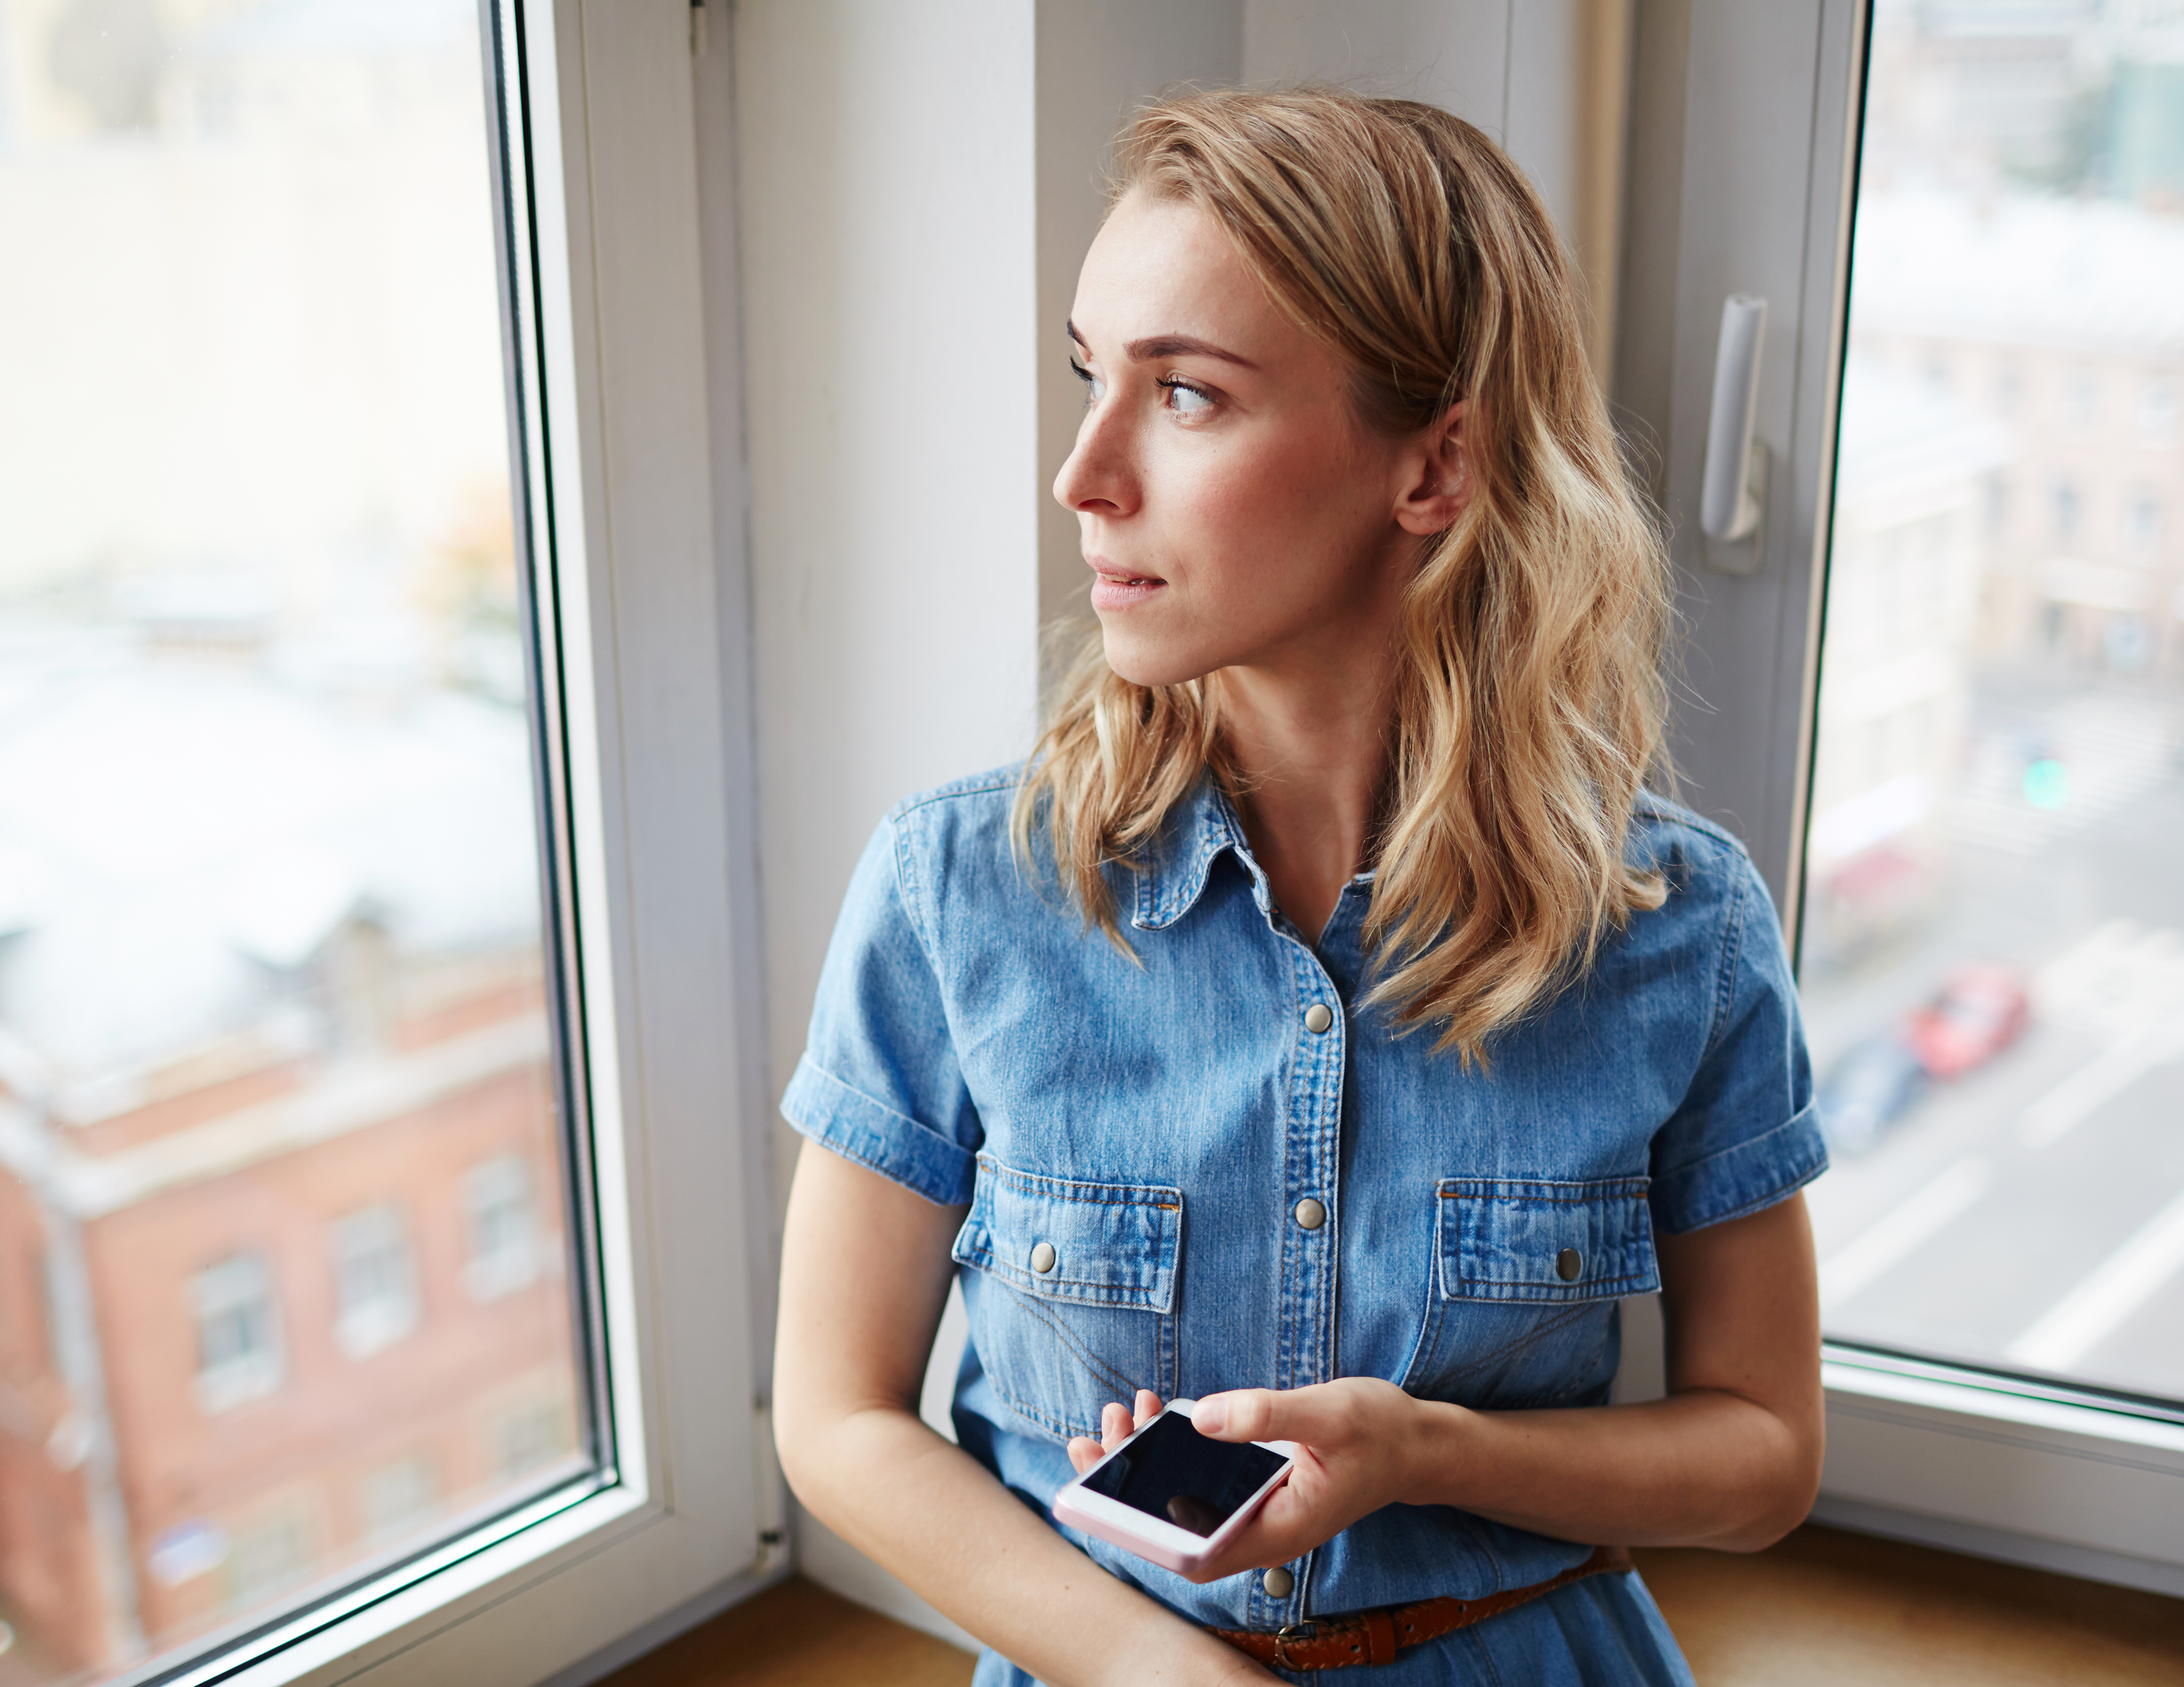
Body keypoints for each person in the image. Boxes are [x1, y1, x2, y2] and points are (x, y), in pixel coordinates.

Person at [772, 89, 1825, 1686]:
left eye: (1186, 394)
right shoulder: (954, 890)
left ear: (1433, 466)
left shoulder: (1681, 928)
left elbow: (1762, 1454)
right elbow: (836, 1416)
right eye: (1089, 376)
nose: (1081, 474)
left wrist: (1426, 1452)